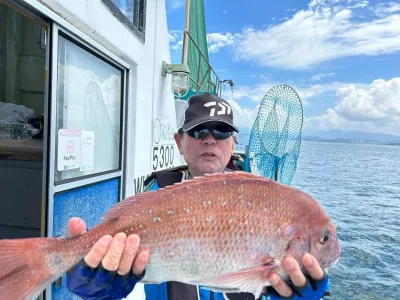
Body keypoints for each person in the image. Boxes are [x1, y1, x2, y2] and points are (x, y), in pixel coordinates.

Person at [66, 93, 330, 300]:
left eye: (222, 131)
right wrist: (99, 286)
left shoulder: (271, 200)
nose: (210, 140)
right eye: (199, 132)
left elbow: (265, 283)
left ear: (234, 142)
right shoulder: (153, 198)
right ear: (179, 142)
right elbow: (126, 262)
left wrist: (299, 294)